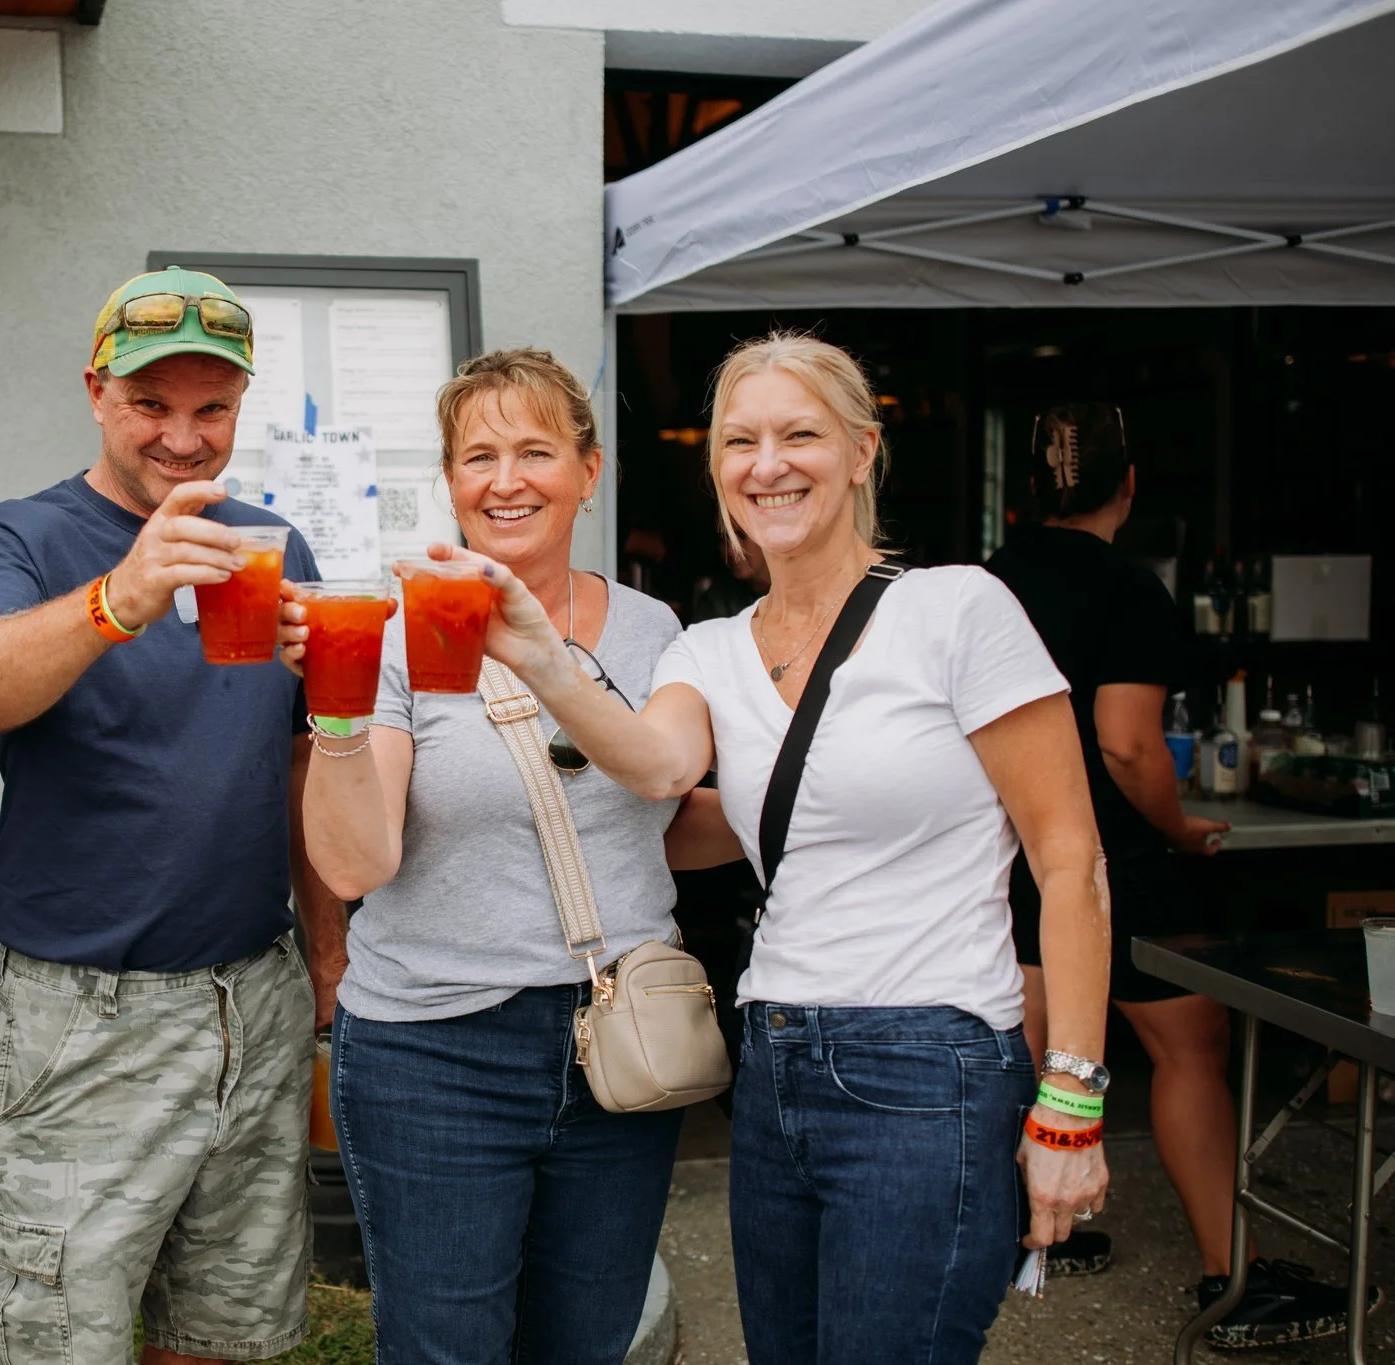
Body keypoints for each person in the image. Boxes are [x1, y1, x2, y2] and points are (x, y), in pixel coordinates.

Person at [453, 332, 1112, 1364]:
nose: (766, 464)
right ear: (714, 465)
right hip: (772, 1063)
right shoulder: (707, 648)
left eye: (797, 434)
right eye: (738, 440)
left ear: (859, 452)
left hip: (929, 1065)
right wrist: (540, 655)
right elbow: (658, 770)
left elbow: (1068, 858)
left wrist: (1069, 1101)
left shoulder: (954, 609)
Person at [281, 347, 739, 1363]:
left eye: (533, 450)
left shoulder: (654, 630)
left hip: (618, 1035)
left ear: (588, 469)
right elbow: (357, 865)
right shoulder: (393, 633)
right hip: (434, 1050)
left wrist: (791, 810)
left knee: (585, 1344)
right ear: (447, 482)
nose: (503, 479)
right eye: (475, 456)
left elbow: (662, 820)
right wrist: (339, 713)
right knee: (446, 1347)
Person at [0, 267, 345, 1365]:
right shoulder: (20, 537)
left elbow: (295, 760)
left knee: (227, 1333)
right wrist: (125, 593)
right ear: (95, 393)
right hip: (83, 1011)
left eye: (211, 408)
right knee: (62, 1338)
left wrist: (329, 953)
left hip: (250, 996)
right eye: (150, 405)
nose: (182, 436)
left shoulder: (273, 542)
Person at [988, 402, 1366, 1348]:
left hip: (1008, 844)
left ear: (1027, 494)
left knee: (1026, 1038)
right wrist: (1182, 824)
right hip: (1114, 853)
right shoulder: (1128, 589)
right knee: (1191, 1044)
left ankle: (1038, 1235)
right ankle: (1230, 1279)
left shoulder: (985, 582)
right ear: (1129, 486)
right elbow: (1126, 747)